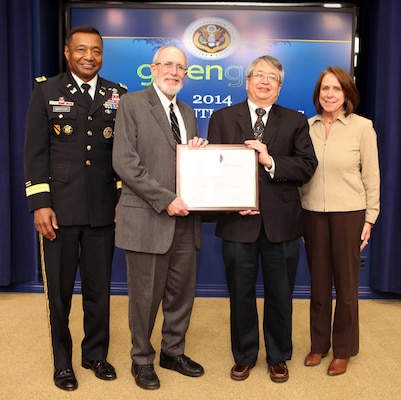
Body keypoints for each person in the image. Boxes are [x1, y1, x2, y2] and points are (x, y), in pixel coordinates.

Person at [24, 25, 127, 391]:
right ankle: (63, 362)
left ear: (102, 54)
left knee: (100, 290)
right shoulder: (47, 90)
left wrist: (120, 200)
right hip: (60, 211)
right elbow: (35, 153)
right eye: (81, 49)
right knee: (61, 292)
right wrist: (40, 204)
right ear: (67, 53)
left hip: (103, 209)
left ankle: (95, 355)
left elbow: (120, 156)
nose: (89, 56)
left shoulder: (118, 94)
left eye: (96, 50)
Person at [207, 55, 318, 383]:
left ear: (280, 88)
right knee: (239, 294)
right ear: (247, 81)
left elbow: (307, 166)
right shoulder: (223, 117)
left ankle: (278, 355)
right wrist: (230, 203)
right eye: (259, 75)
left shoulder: (295, 121)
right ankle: (243, 356)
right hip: (237, 222)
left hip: (281, 223)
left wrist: (271, 161)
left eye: (272, 78)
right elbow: (212, 169)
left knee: (280, 294)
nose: (265, 81)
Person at [112, 45, 208, 391]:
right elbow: (125, 163)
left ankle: (173, 351)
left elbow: (183, 163)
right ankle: (141, 359)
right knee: (144, 297)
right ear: (153, 69)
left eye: (181, 67)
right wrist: (166, 200)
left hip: (186, 221)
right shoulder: (132, 104)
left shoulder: (187, 111)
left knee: (181, 294)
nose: (175, 71)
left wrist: (198, 154)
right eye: (168, 64)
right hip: (149, 218)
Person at [299, 66, 380, 376]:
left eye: (336, 89)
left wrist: (369, 218)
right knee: (318, 284)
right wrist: (300, 216)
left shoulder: (362, 127)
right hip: (312, 215)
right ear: (318, 95)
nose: (329, 94)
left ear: (347, 94)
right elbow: (299, 175)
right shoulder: (306, 127)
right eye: (324, 89)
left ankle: (343, 349)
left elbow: (372, 176)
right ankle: (319, 344)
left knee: (346, 286)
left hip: (350, 214)